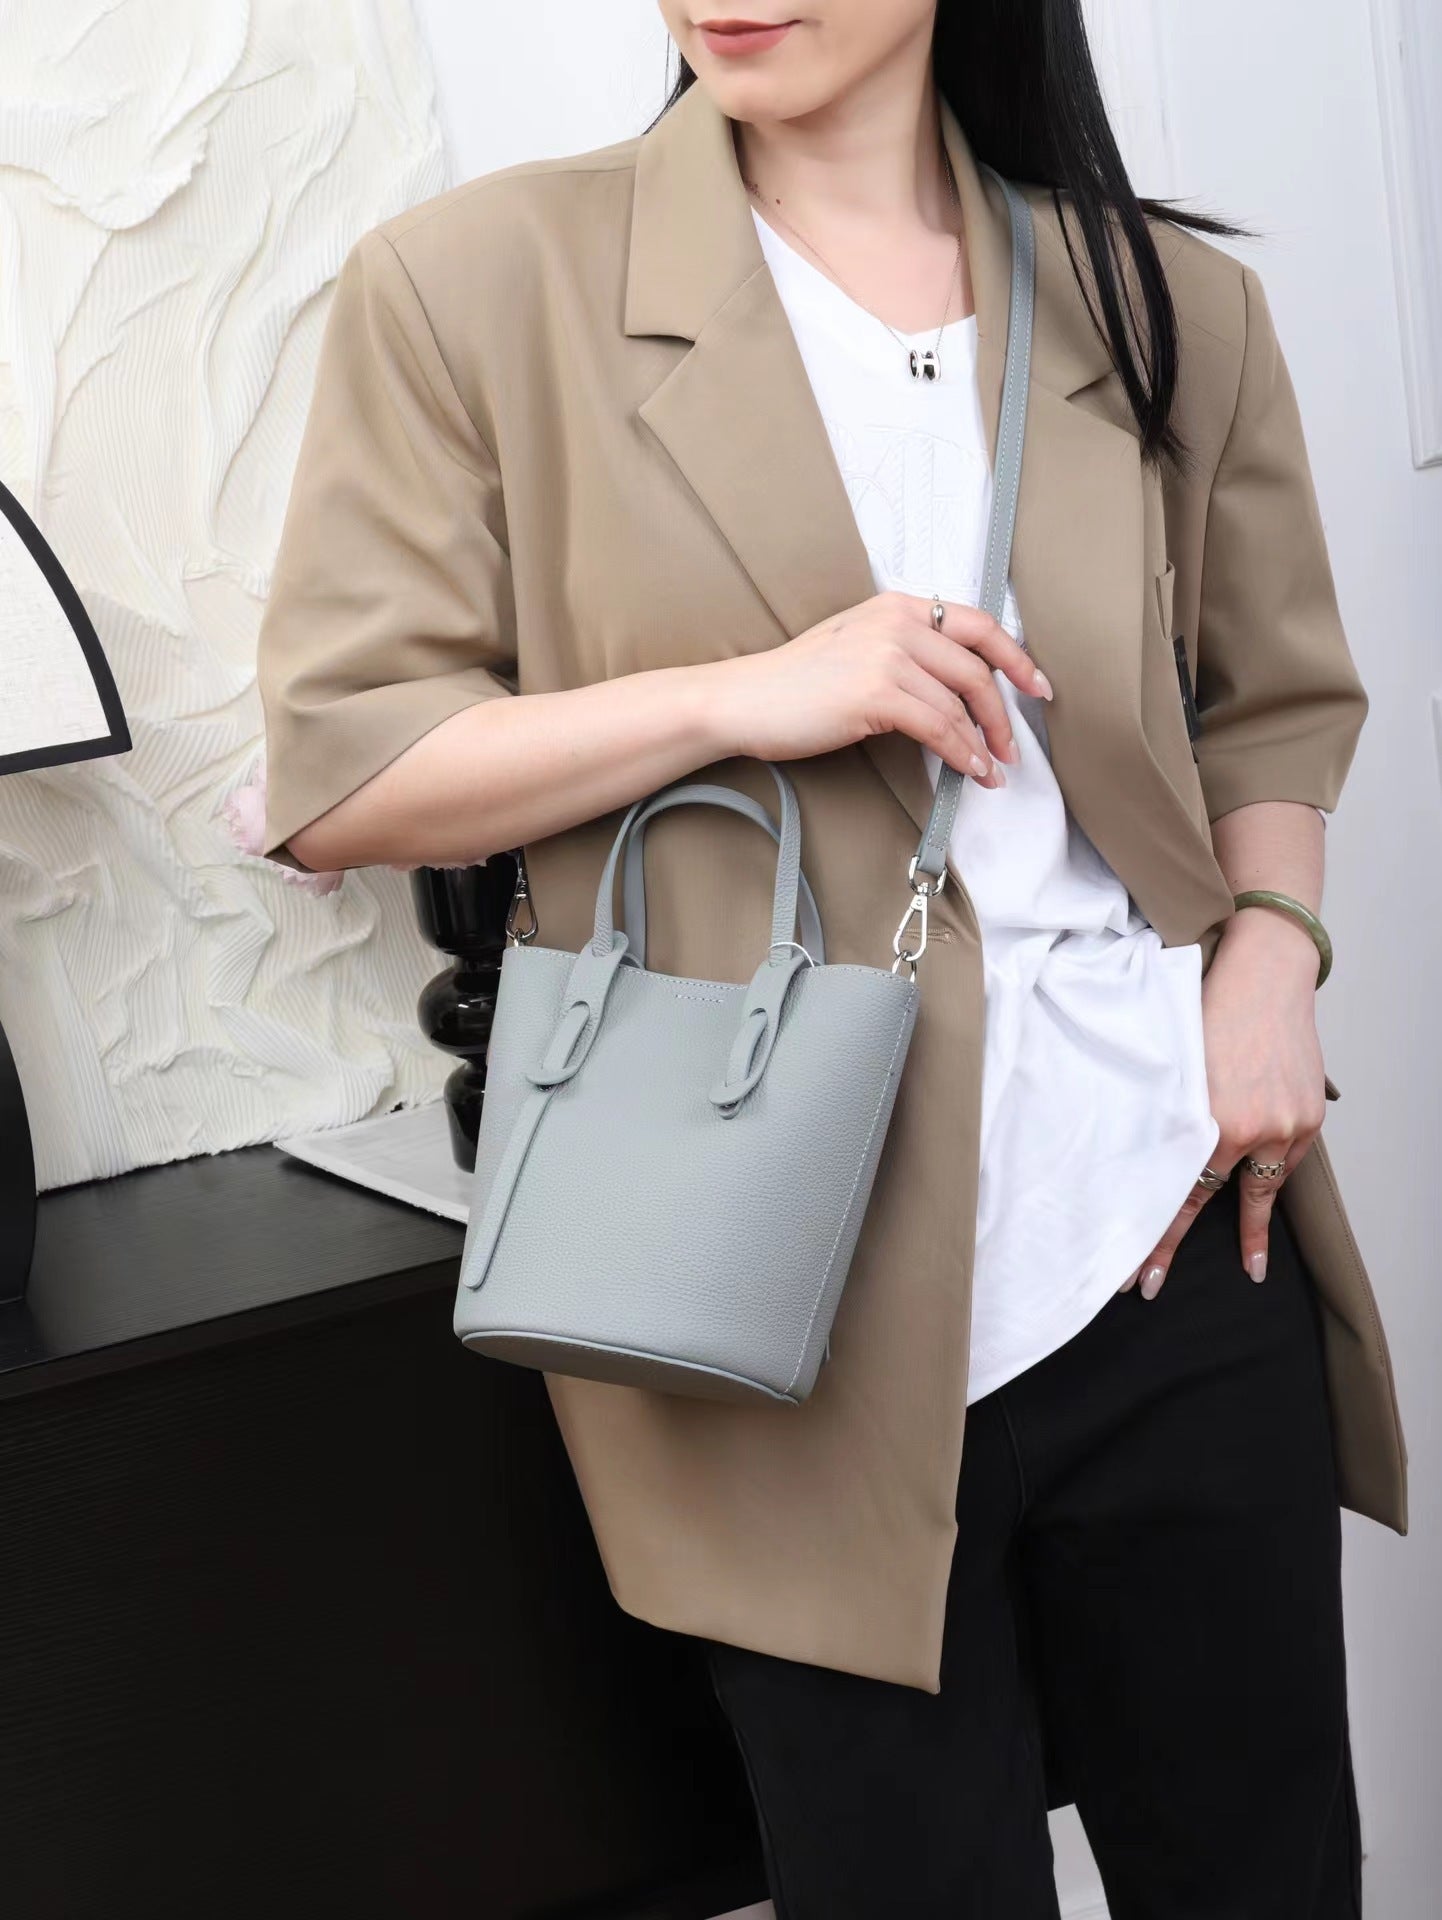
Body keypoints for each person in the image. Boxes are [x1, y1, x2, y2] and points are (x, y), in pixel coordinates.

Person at [255, 3, 1406, 1911]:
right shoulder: (476, 287)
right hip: (770, 1284)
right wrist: (744, 695)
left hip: (1172, 1221)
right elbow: (341, 774)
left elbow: (1269, 702)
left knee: (1260, 1872)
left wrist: (1268, 967)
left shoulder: (1161, 301)